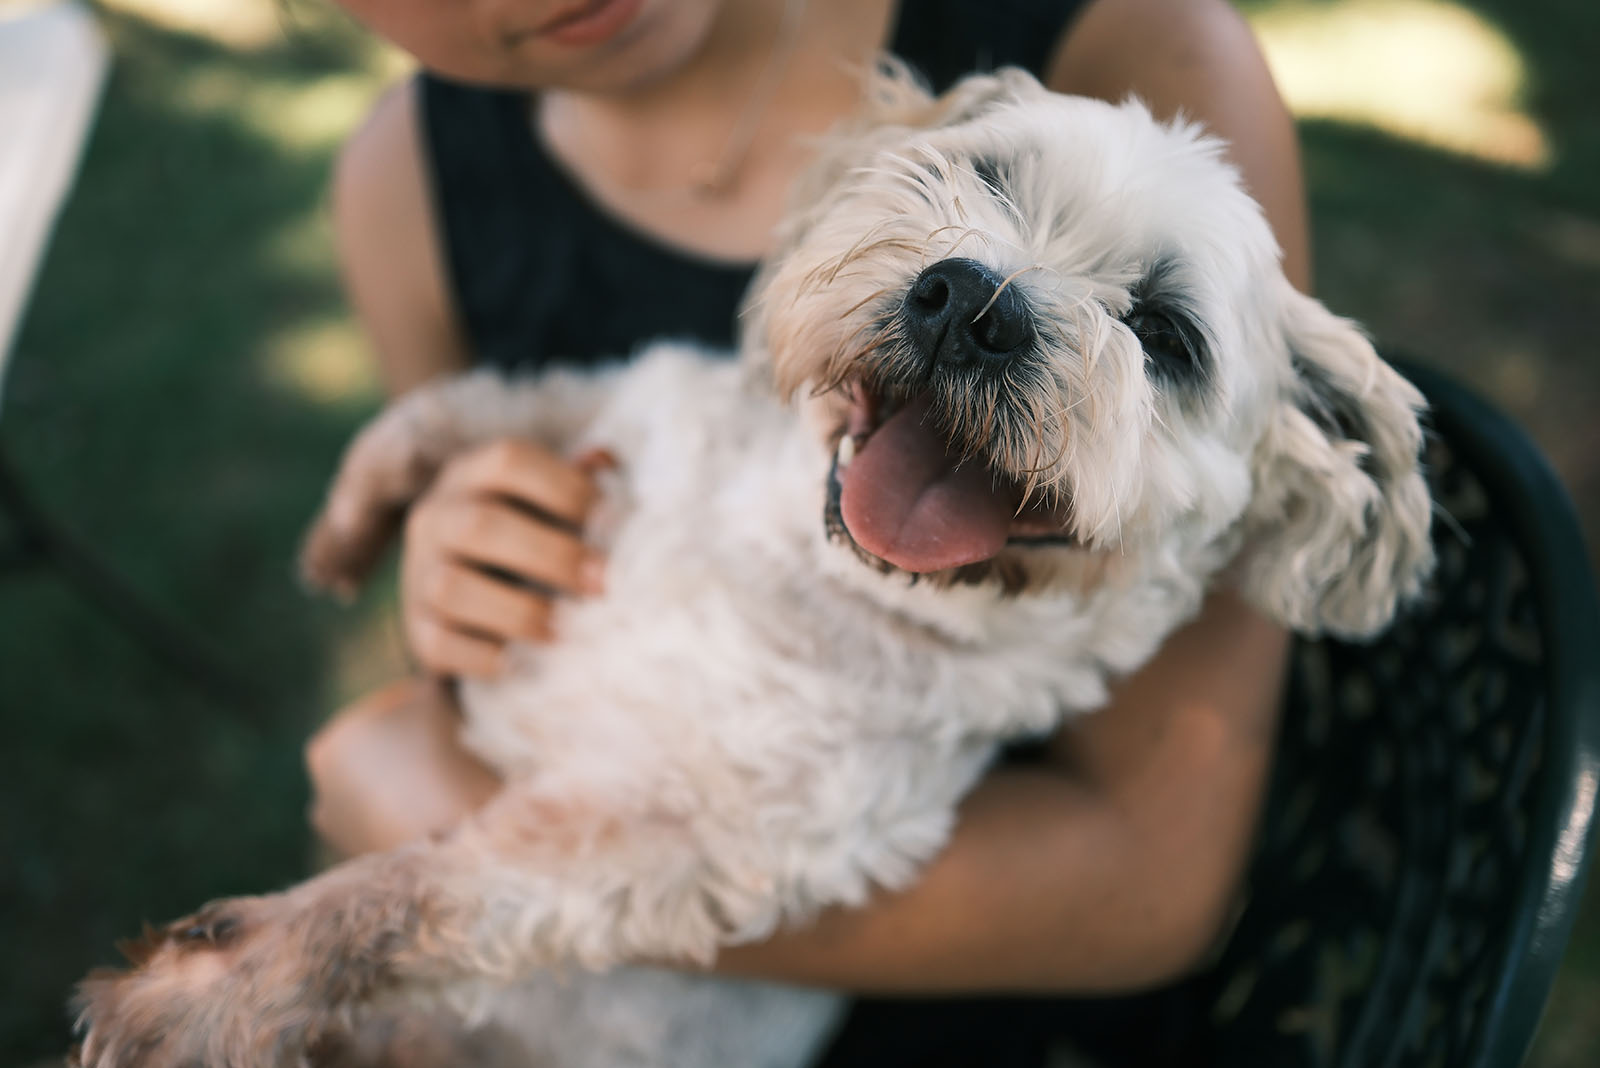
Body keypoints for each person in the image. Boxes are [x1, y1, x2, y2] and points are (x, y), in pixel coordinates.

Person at [306, 0, 1308, 1060]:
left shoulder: (1136, 41)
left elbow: (1147, 889)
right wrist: (453, 548)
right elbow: (484, 564)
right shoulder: (402, 181)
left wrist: (453, 857)